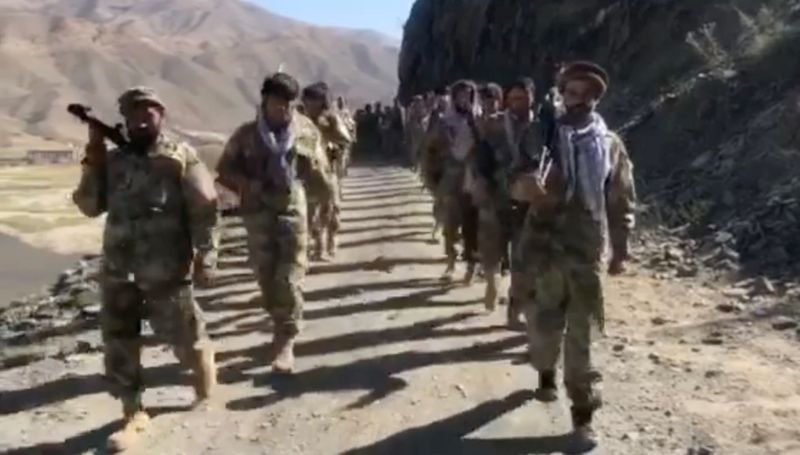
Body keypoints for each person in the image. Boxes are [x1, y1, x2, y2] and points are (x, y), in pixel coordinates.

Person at [72, 87, 218, 452]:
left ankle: (203, 373)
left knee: (185, 336)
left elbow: (205, 207)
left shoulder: (180, 157)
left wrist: (206, 253)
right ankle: (133, 410)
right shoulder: (113, 161)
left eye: (147, 114)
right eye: (133, 115)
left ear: (161, 116)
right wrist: (94, 155)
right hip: (119, 269)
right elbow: (89, 206)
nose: (140, 121)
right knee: (119, 341)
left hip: (167, 269)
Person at [511, 61, 636, 449]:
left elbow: (621, 199)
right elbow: (512, 181)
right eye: (572, 93)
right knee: (544, 331)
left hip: (585, 252)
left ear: (597, 99)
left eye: (587, 95)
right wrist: (525, 187)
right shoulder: (539, 137)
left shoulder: (609, 144)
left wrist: (620, 249)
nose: (578, 101)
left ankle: (583, 414)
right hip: (543, 252)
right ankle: (545, 371)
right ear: (561, 95)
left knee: (582, 338)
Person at [216, 72, 332, 375]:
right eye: (278, 102)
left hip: (293, 211)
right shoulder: (246, 136)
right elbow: (223, 169)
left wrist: (325, 203)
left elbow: (320, 170)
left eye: (289, 103)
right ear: (265, 101)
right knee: (266, 278)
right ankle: (277, 318)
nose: (283, 109)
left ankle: (285, 338)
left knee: (289, 277)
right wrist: (246, 184)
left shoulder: (305, 132)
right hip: (257, 214)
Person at [472, 77, 543, 329]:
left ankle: (515, 310)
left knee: (524, 259)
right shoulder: (495, 126)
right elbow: (482, 159)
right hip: (498, 198)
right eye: (512, 98)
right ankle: (491, 281)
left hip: (530, 203)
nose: (517, 103)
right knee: (492, 249)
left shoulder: (543, 127)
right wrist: (482, 183)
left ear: (532, 98)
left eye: (522, 98)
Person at [423, 80, 481, 283]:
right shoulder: (444, 122)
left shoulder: (480, 120)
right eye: (460, 95)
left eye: (468, 95)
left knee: (473, 226)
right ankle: (451, 263)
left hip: (474, 181)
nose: (464, 99)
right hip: (451, 180)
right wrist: (432, 180)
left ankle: (472, 266)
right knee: (450, 225)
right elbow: (430, 153)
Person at [302, 82, 351, 259]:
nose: (309, 104)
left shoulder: (330, 119)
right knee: (308, 212)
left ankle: (330, 242)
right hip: (305, 172)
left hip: (327, 172)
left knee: (330, 210)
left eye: (313, 100)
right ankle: (317, 246)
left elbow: (345, 139)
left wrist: (329, 135)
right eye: (307, 100)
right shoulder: (300, 120)